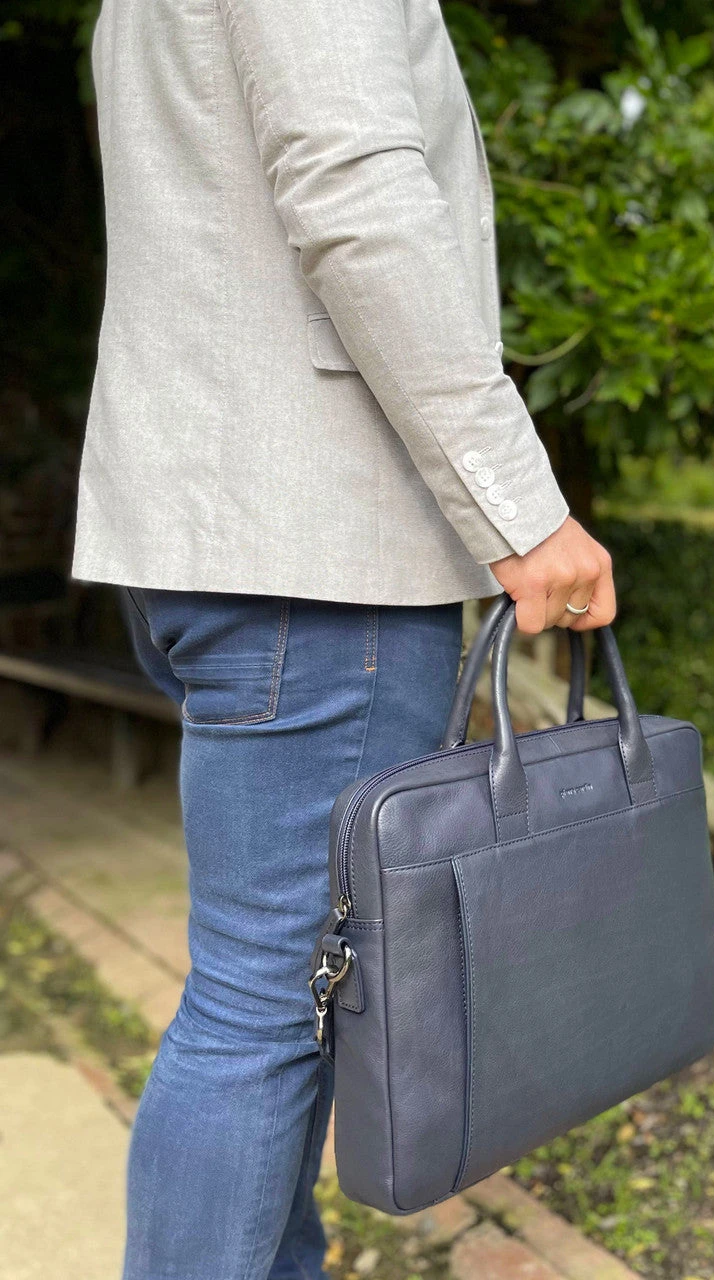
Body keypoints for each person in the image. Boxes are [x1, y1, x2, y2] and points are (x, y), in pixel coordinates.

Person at [71, 0, 614, 1274]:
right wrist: (522, 513)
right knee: (265, 1009)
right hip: (317, 553)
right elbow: (358, 199)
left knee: (276, 998)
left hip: (227, 534)